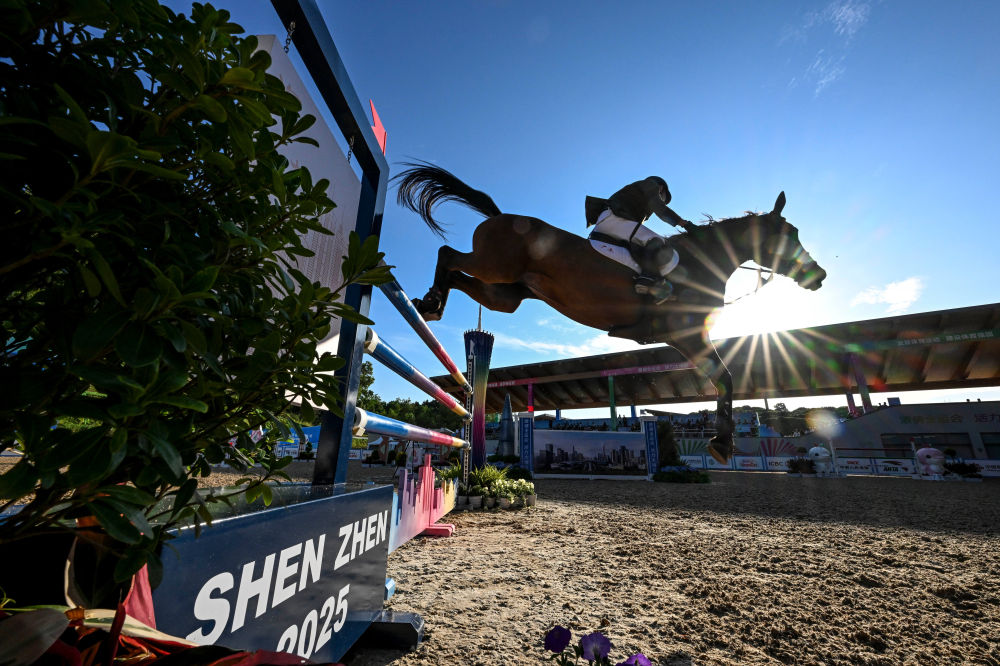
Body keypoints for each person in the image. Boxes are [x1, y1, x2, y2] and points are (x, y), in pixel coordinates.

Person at [586, 176, 695, 302]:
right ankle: (647, 278)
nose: (662, 201)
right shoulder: (651, 184)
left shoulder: (637, 194)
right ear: (661, 188)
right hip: (614, 219)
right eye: (663, 198)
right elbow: (660, 208)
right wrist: (685, 224)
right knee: (656, 240)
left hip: (608, 222)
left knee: (641, 246)